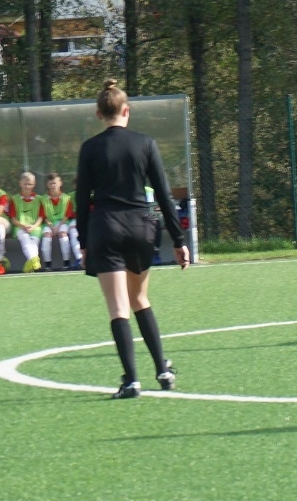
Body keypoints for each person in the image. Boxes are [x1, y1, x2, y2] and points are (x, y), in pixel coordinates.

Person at [76, 79, 190, 400]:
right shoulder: (146, 143)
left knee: (118, 307)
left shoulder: (90, 148)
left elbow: (82, 200)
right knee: (140, 298)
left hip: (106, 228)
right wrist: (179, 240)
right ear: (127, 111)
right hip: (141, 227)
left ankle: (131, 382)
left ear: (99, 114)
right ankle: (163, 370)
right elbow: (164, 196)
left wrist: (83, 242)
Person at [7, 172, 44, 273]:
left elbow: (41, 217)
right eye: (25, 184)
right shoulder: (14, 199)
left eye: (30, 184)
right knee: (25, 239)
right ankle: (35, 262)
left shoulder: (39, 199)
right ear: (20, 183)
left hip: (36, 227)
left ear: (34, 184)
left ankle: (32, 263)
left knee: (34, 243)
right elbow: (13, 219)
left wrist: (34, 226)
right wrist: (22, 225)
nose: (27, 186)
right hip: (20, 227)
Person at [40, 173, 75, 271]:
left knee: (63, 235)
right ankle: (48, 265)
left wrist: (58, 227)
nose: (53, 185)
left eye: (55, 183)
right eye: (51, 183)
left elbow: (67, 215)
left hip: (62, 223)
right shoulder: (43, 199)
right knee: (46, 237)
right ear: (47, 185)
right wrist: (52, 227)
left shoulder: (67, 198)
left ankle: (66, 263)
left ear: (60, 183)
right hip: (49, 224)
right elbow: (43, 216)